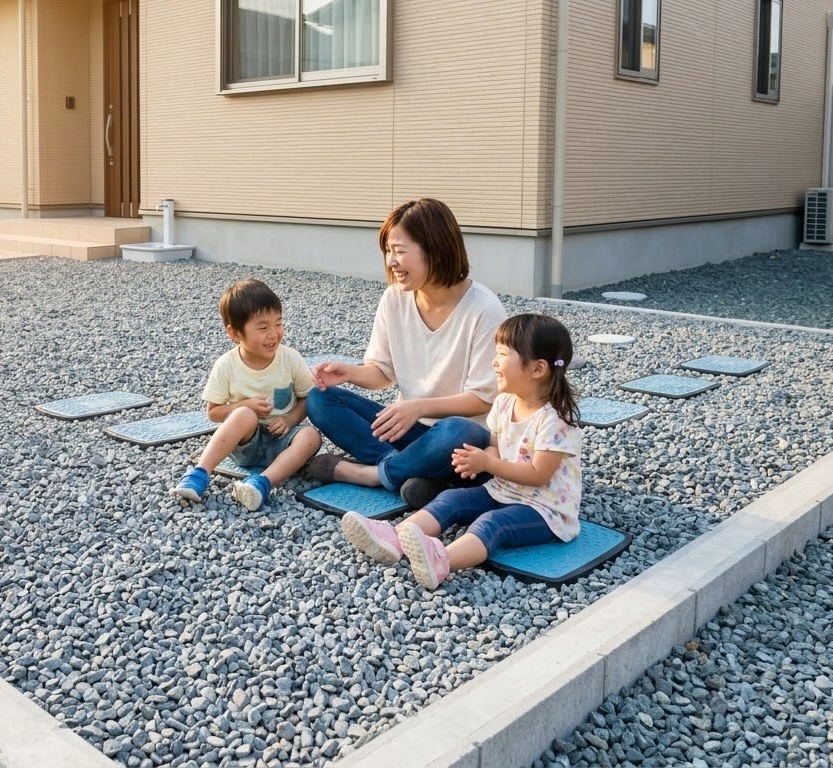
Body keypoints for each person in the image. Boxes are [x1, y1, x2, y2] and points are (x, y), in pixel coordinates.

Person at [339, 313, 583, 590]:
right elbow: (495, 445)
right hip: (505, 490)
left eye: (503, 354)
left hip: (545, 510)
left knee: (493, 523)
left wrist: (488, 465)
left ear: (537, 369)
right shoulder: (504, 403)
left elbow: (539, 474)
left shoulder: (556, 420)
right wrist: (480, 462)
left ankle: (442, 560)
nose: (494, 361)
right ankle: (394, 539)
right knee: (453, 498)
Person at [306, 198, 505, 504]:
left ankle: (373, 474)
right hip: (407, 429)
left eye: (399, 251)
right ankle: (417, 473)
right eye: (388, 251)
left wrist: (418, 407)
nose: (391, 262)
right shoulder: (393, 299)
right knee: (320, 399)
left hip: (458, 438)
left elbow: (481, 399)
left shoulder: (484, 309)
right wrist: (349, 373)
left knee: (456, 431)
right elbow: (383, 373)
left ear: (435, 248)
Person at [170, 279, 322, 511]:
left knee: (311, 436)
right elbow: (213, 412)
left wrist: (289, 420)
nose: (274, 334)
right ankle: (199, 474)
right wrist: (245, 405)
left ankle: (262, 483)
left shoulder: (290, 358)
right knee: (244, 414)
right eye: (263, 328)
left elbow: (308, 397)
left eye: (278, 323)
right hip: (245, 446)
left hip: (283, 441)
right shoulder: (226, 365)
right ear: (234, 333)